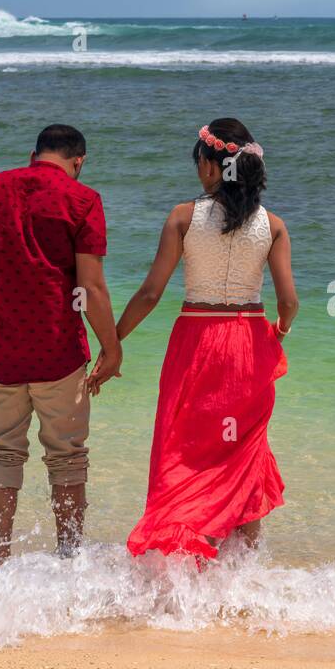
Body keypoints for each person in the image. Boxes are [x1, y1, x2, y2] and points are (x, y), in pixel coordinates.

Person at [94, 118, 297, 558]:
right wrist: (277, 334)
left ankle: (180, 557)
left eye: (199, 162)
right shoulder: (274, 226)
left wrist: (114, 343)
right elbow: (289, 302)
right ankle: (243, 571)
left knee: (183, 449)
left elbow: (150, 293)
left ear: (209, 166)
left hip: (197, 341)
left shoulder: (183, 217)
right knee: (243, 452)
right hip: (249, 345)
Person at [0, 124, 121, 564]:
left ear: (32, 154)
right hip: (58, 354)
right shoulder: (84, 200)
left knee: (2, 453)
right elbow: (92, 287)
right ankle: (69, 559)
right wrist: (111, 348)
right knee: (67, 457)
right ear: (79, 161)